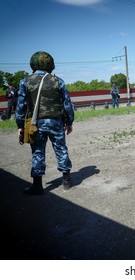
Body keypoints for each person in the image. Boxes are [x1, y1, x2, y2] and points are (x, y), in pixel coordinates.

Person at [15, 51, 75, 195]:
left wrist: (20, 126)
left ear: (33, 63)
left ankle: (37, 186)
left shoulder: (25, 81)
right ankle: (66, 181)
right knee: (61, 148)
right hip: (56, 122)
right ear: (50, 64)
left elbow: (20, 106)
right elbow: (67, 105)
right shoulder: (58, 81)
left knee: (37, 152)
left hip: (36, 123)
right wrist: (69, 122)